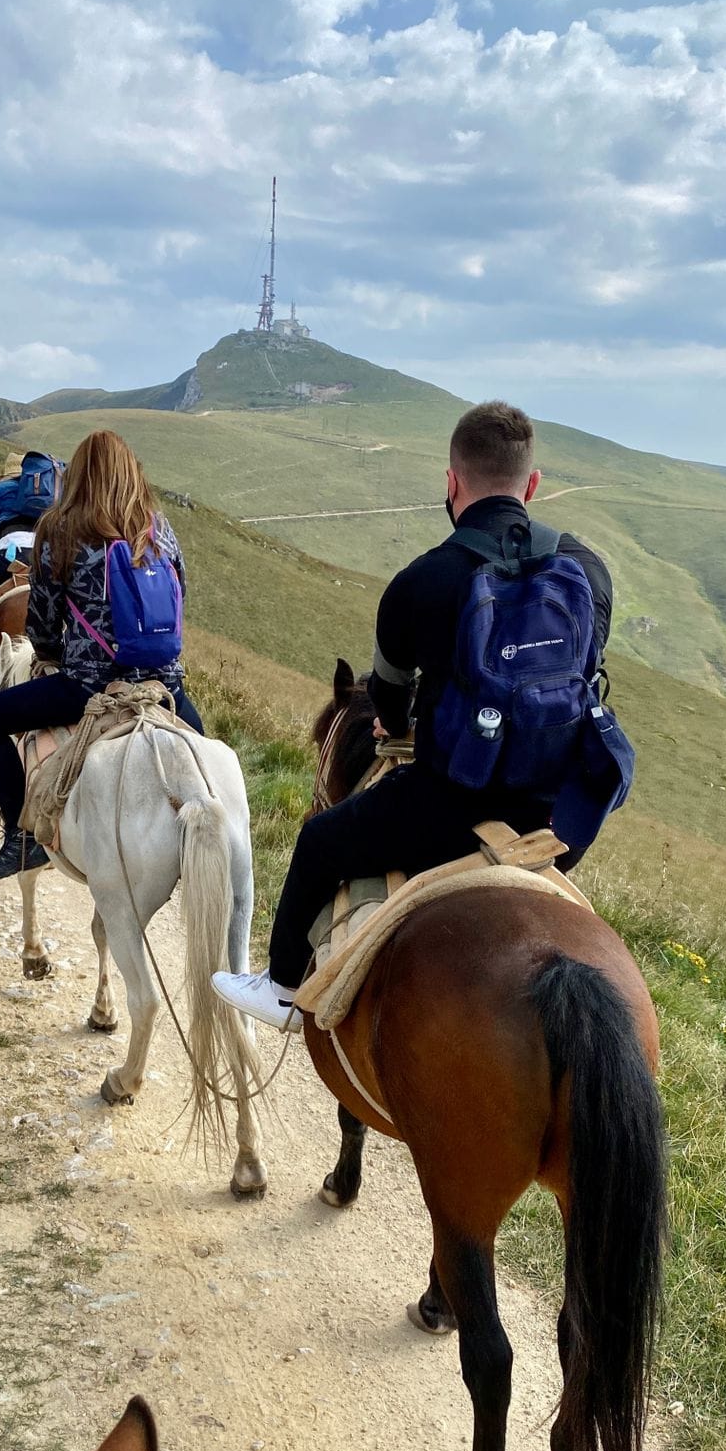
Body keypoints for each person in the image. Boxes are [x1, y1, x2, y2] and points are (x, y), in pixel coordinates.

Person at [212, 400, 616, 1030]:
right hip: (558, 818)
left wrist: (396, 724)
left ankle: (285, 990)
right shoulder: (587, 571)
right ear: (531, 485)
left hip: (452, 809)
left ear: (451, 483)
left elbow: (393, 705)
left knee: (318, 843)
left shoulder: (421, 581)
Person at [0, 428, 205, 879]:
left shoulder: (59, 529)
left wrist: (55, 654)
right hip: (165, 685)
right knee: (208, 761)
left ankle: (21, 839)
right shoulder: (159, 529)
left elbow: (41, 624)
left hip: (90, 684)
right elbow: (180, 598)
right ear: (131, 473)